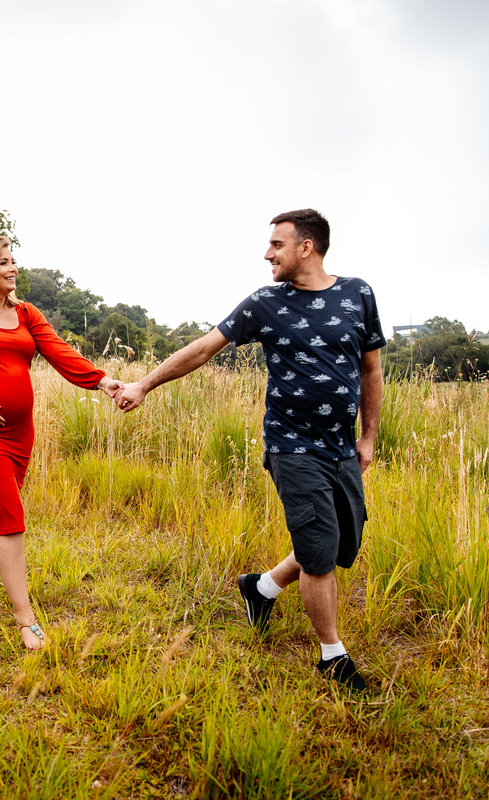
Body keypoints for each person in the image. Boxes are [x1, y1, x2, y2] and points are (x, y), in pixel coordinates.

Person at [115, 209, 384, 691]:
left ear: (307, 246)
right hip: (292, 445)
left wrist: (368, 436)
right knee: (320, 554)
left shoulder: (358, 294)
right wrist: (145, 384)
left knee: (343, 539)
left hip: (341, 446)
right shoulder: (265, 303)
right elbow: (203, 348)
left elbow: (371, 371)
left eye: (277, 244)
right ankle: (331, 656)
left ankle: (259, 588)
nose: (267, 254)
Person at [0, 236, 123, 650]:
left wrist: (102, 381)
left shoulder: (26, 313)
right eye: (3, 263)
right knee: (9, 516)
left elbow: (60, 352)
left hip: (19, 433)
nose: (13, 269)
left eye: (14, 261)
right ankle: (25, 620)